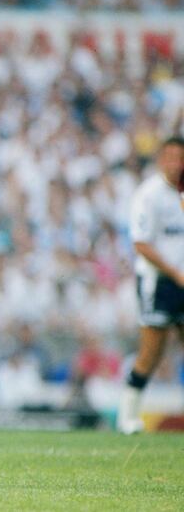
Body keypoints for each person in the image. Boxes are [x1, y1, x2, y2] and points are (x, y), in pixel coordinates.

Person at [118, 136, 184, 434]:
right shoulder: (150, 195)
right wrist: (175, 273)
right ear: (161, 159)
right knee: (152, 352)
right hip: (159, 283)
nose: (176, 164)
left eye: (180, 157)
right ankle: (128, 416)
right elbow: (141, 243)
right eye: (170, 157)